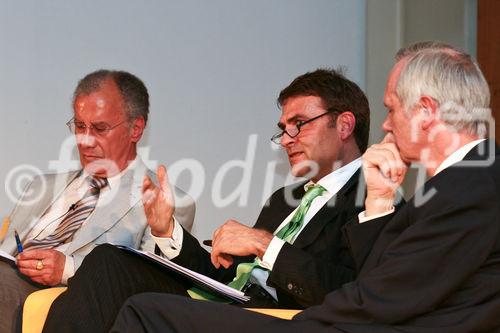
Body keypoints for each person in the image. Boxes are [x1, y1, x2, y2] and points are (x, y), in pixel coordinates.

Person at [108, 42, 499, 333]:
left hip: (329, 320)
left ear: (427, 112)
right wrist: (379, 203)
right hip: (330, 317)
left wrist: (300, 321)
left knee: (146, 313)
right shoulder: (461, 183)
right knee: (117, 271)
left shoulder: (471, 187)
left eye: (392, 108)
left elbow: (380, 297)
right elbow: (385, 283)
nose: (386, 124)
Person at [43, 68, 374, 333]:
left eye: (298, 125)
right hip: (232, 303)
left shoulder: (374, 202)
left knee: (142, 308)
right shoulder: (284, 201)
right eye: (283, 129)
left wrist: (264, 244)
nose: (286, 140)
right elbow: (226, 281)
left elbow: (355, 293)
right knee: (109, 261)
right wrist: (166, 231)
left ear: (344, 124)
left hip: (274, 318)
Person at [0, 70, 195, 333]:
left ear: (135, 128)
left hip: (68, 302)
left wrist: (66, 269)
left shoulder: (167, 202)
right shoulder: (40, 185)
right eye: (79, 126)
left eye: (100, 128)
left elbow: (146, 282)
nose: (85, 140)